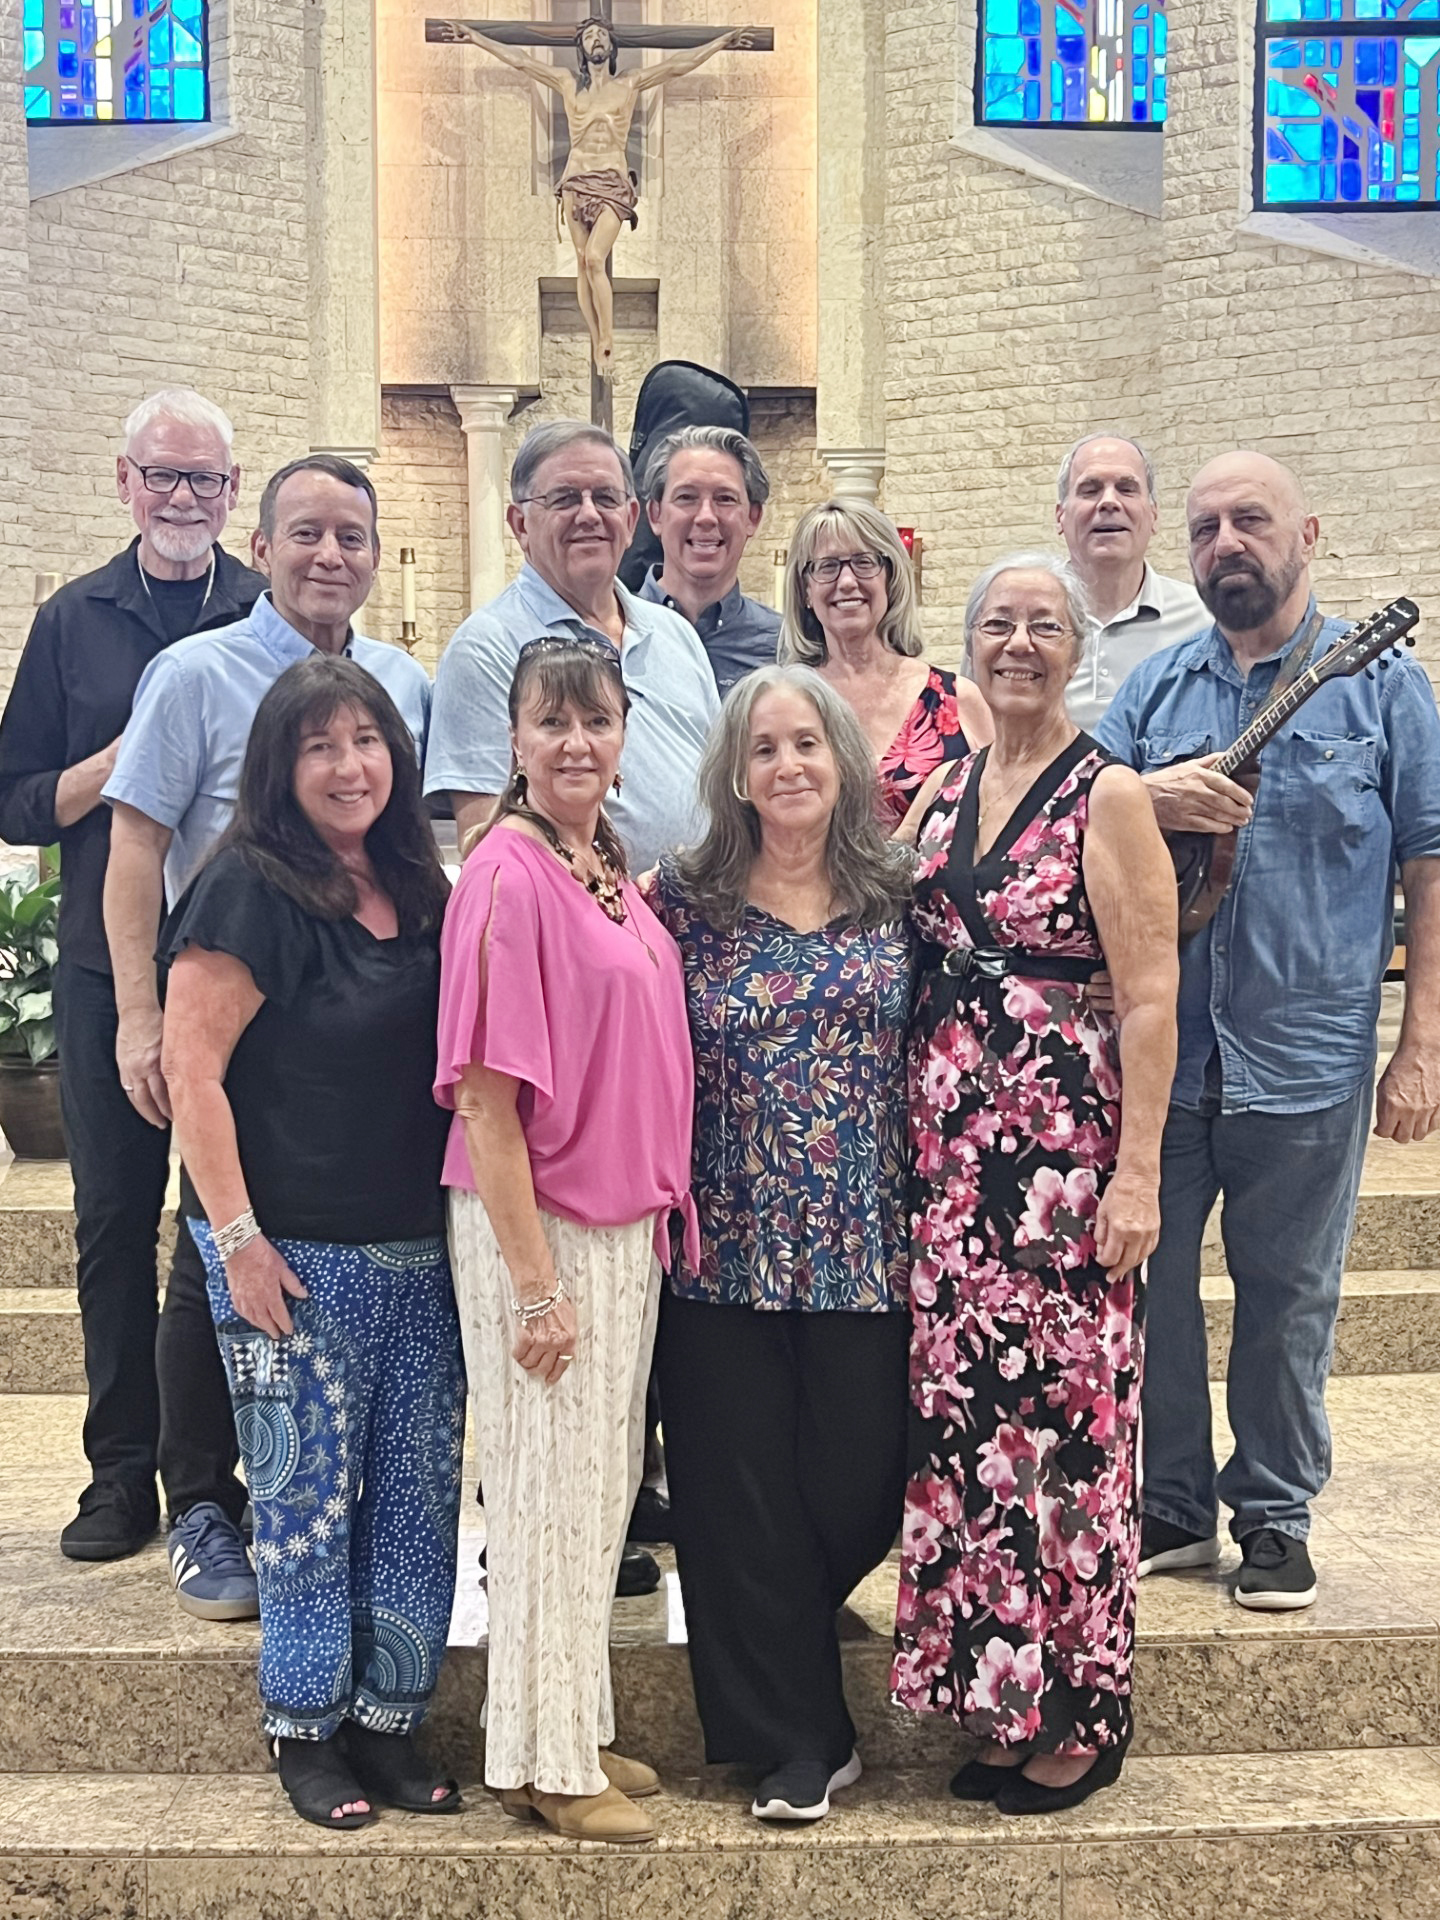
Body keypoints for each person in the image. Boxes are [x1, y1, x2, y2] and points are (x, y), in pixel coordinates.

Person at [1097, 451, 1440, 1609]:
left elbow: (1428, 867)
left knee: (1290, 1293)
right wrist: (1152, 794)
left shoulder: (1385, 687)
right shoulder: (1154, 693)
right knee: (1153, 1291)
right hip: (1163, 1056)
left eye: (1250, 521)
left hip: (1309, 1054)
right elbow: (1078, 825)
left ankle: (1276, 1513)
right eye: (1203, 528)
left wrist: (1422, 1041)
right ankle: (1175, 1504)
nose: (1225, 543)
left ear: (1310, 535)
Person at [101, 453, 431, 1620]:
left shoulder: (399, 679)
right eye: (306, 533)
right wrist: (142, 1013)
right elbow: (135, 844)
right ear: (266, 541)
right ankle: (199, 1499)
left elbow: (409, 847)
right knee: (214, 1256)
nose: (328, 555)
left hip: (344, 1025)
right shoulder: (194, 673)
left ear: (377, 555)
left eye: (351, 536)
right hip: (227, 1004)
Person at [891, 551, 1178, 1815]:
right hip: (953, 1176)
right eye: (997, 625)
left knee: (1070, 1435)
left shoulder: (1106, 792)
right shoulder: (946, 785)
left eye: (1044, 626)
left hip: (1064, 1172)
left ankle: (1084, 1708)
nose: (1019, 644)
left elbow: (1154, 994)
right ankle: (1002, 1694)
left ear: (1077, 648)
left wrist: (1140, 1178)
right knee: (975, 1438)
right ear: (966, 646)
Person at [161, 655, 463, 1832]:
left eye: (368, 741)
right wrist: (235, 1242)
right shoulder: (246, 886)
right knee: (303, 1505)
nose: (350, 767)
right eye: (321, 747)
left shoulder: (417, 884)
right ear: (282, 771)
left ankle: (392, 1722)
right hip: (291, 1256)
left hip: (418, 1253)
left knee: (413, 1501)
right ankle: (305, 1729)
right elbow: (194, 1073)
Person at [436, 636, 696, 1845]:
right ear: (516, 741)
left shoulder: (601, 861)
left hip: (616, 1222)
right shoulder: (506, 870)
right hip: (537, 1227)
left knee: (595, 1500)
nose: (578, 743)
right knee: (543, 1496)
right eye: (554, 724)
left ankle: (573, 1720)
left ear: (624, 730)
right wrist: (536, 1289)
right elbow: (486, 1099)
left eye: (598, 721)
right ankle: (539, 1761)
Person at [644, 664, 913, 1825]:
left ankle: (788, 1670)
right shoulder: (682, 901)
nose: (789, 766)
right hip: (723, 1245)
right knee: (732, 1498)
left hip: (869, 1243)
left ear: (844, 760)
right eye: (765, 749)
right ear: (736, 773)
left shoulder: (904, 895)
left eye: (809, 743)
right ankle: (797, 1742)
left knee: (862, 1485)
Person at [0, 388, 264, 1566]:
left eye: (204, 481)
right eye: (163, 476)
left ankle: (208, 1475)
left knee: (222, 1219)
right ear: (124, 481)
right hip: (115, 974)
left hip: (235, 968)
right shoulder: (73, 623)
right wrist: (116, 767)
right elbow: (14, 802)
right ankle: (120, 1474)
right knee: (114, 1216)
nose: (182, 500)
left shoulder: (261, 615)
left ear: (230, 493)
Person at [426, 420, 719, 870]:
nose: (588, 515)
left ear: (631, 518)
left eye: (605, 497)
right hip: (588, 927)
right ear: (520, 523)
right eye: (564, 498)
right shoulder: (486, 649)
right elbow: (484, 840)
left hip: (707, 923)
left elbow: (721, 788)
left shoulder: (676, 633)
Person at [434, 17, 756, 375]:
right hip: (575, 180)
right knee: (581, 260)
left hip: (612, 181)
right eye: (589, 36)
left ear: (611, 47)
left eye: (602, 35)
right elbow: (521, 60)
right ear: (582, 49)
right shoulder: (568, 84)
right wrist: (476, 38)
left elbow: (677, 65)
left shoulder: (629, 84)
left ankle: (608, 338)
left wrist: (720, 43)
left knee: (594, 258)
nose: (596, 39)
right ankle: (595, 338)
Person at [779, 498, 993, 829]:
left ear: (889, 579)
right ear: (805, 590)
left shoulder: (958, 698)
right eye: (827, 566)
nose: (847, 581)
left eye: (864, 562)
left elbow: (999, 814)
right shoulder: (783, 703)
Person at [1055, 433, 1207, 732]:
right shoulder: (1016, 625)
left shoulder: (1204, 621)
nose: (1109, 502)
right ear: (1060, 516)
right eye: (1090, 489)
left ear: (1153, 515)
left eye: (1126, 489)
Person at [638, 425, 781, 697]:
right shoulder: (613, 634)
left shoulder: (784, 649)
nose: (706, 516)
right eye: (686, 497)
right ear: (655, 515)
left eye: (725, 499)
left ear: (753, 517)